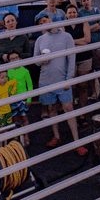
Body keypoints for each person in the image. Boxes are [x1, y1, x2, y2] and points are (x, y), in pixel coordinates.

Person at [33, 14, 87, 156]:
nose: (44, 24)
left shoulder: (67, 37)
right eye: (41, 23)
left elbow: (71, 57)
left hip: (62, 79)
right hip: (46, 80)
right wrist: (42, 60)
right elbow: (36, 61)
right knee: (51, 108)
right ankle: (57, 136)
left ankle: (77, 142)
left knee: (68, 108)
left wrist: (69, 79)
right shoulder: (40, 39)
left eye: (46, 20)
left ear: (51, 20)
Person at [77, 0, 100, 100]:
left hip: (99, 43)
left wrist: (89, 28)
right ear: (81, 3)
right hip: (88, 45)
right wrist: (94, 25)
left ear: (91, 0)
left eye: (87, 0)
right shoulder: (80, 13)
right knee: (91, 69)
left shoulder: (96, 10)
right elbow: (85, 29)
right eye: (84, 1)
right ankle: (94, 93)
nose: (86, 2)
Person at [65, 5, 92, 117]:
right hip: (70, 59)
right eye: (69, 13)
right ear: (66, 15)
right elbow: (64, 44)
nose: (72, 15)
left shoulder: (84, 23)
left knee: (83, 85)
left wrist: (72, 42)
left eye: (74, 12)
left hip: (84, 58)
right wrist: (79, 43)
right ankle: (72, 113)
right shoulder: (63, 26)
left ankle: (82, 112)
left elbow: (88, 40)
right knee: (72, 87)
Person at [6, 50, 33, 145]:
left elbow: (29, 85)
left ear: (20, 59)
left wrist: (29, 99)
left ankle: (26, 136)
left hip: (23, 98)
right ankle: (15, 137)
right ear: (8, 61)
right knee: (15, 118)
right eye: (12, 59)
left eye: (16, 58)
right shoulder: (8, 72)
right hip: (12, 99)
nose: (14, 60)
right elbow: (7, 87)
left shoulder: (25, 71)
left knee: (24, 118)